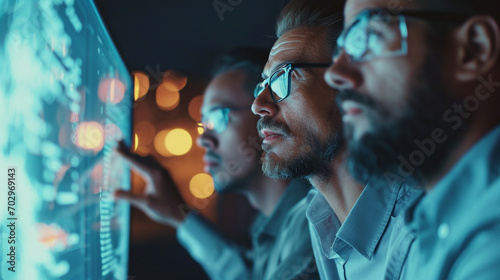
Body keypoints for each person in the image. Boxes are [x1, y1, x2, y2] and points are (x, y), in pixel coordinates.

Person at [325, 0, 500, 279]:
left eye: (368, 36)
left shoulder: (490, 245)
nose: (333, 74)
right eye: (342, 47)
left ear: (473, 50)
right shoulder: (428, 224)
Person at [114, 47, 319, 280]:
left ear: (266, 112)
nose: (202, 139)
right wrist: (178, 215)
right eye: (203, 123)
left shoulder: (313, 224)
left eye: (217, 117)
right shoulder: (268, 227)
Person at [252, 0, 421, 279]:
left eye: (283, 78)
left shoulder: (419, 227)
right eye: (264, 84)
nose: (259, 104)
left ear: (347, 80)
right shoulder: (320, 218)